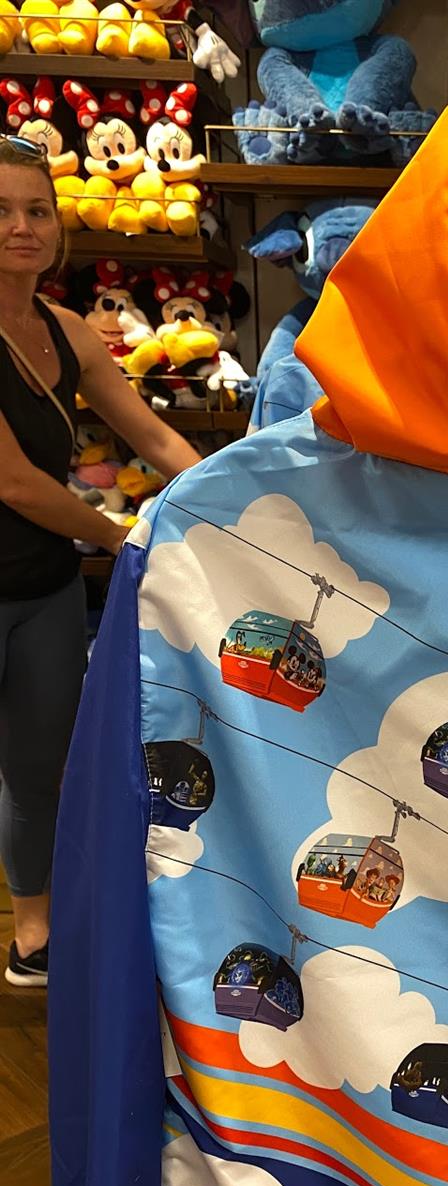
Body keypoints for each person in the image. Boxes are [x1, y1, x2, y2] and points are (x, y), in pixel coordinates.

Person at [0, 136, 200, 986]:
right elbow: (13, 481)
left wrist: (234, 500)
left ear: (58, 228)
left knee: (40, 766)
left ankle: (32, 928)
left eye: (36, 211)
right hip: (31, 563)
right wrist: (122, 536)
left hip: (43, 588)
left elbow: (151, 434)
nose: (22, 227)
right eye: (1, 211)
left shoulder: (67, 329)